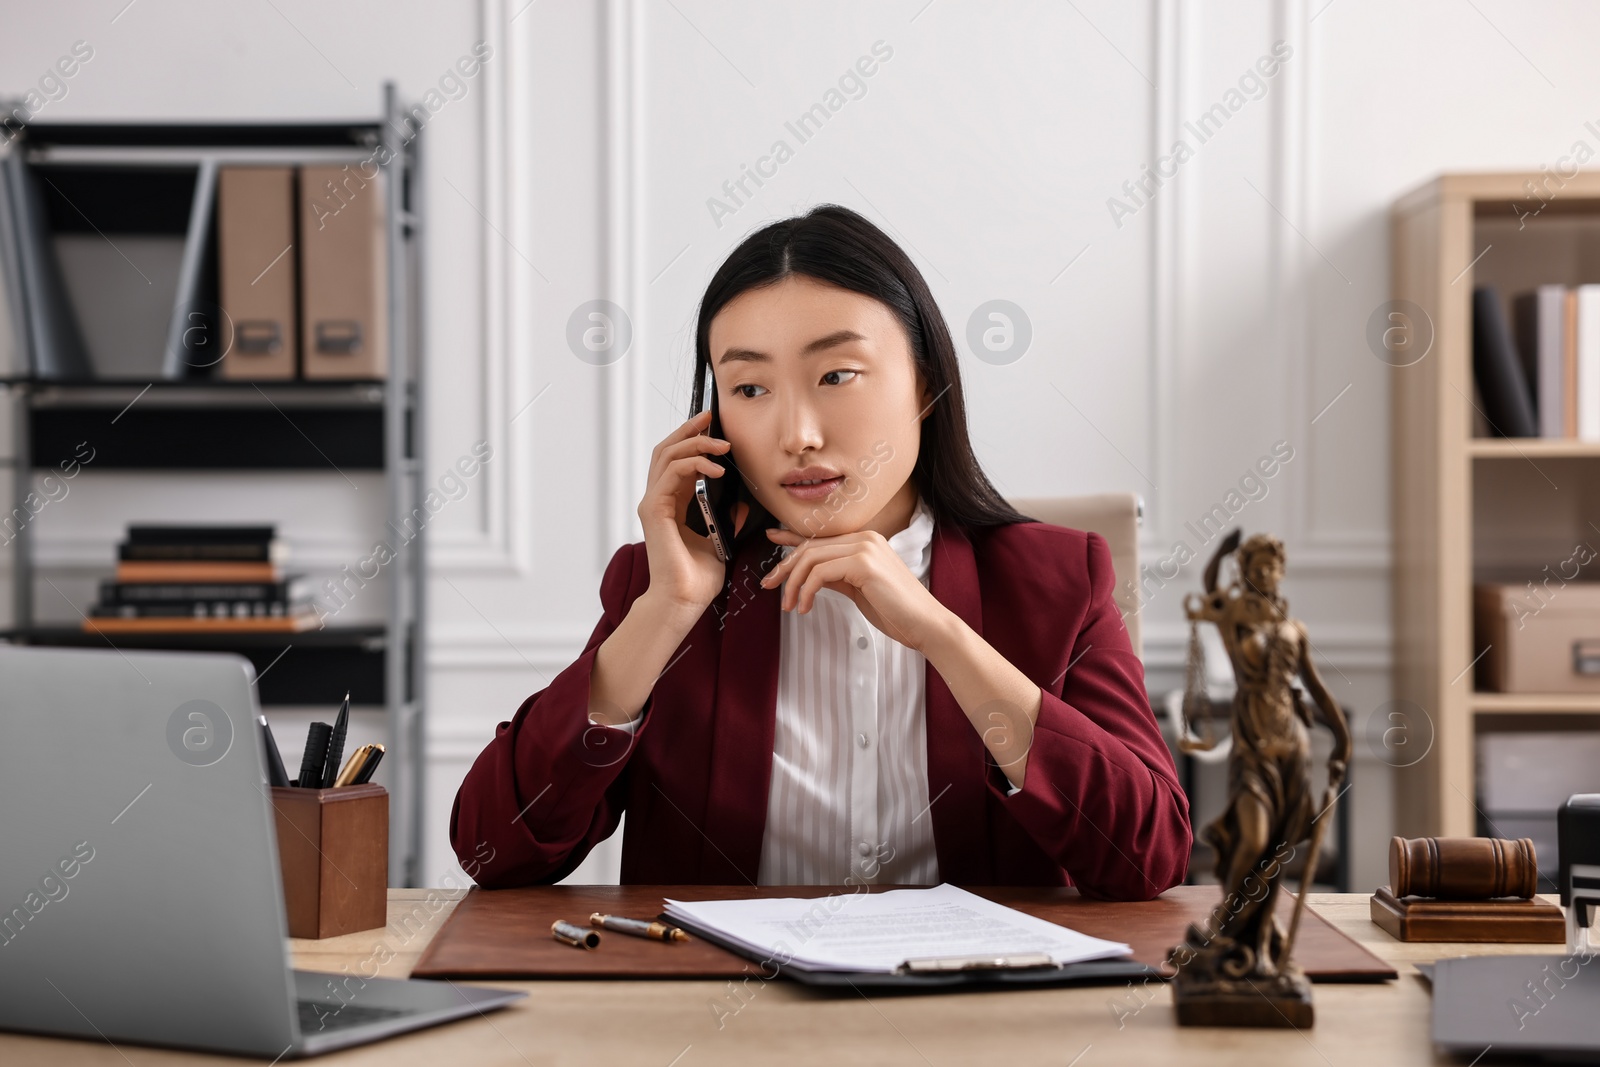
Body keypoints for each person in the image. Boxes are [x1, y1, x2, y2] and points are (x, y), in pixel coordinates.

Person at [450, 204, 1191, 899]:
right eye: (748, 386)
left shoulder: (1059, 579)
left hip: (975, 1021)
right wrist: (665, 613)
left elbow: (1148, 854)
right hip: (716, 1023)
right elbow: (494, 850)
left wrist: (940, 633)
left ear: (925, 382)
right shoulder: (662, 588)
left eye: (836, 375)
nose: (796, 433)